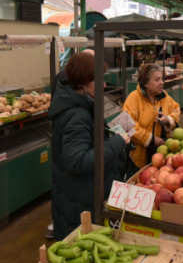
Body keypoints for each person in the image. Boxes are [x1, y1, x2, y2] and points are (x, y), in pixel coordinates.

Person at [47, 52, 130, 240]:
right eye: (98, 80)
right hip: (80, 201)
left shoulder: (81, 105)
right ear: (83, 83)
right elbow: (77, 161)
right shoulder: (76, 115)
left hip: (81, 195)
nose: (104, 85)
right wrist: (116, 143)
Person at [124, 63, 181, 171]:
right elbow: (126, 125)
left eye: (161, 79)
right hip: (139, 157)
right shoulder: (133, 98)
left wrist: (168, 119)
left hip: (160, 154)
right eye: (157, 80)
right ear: (145, 83)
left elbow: (176, 108)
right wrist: (151, 139)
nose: (162, 83)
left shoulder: (164, 97)